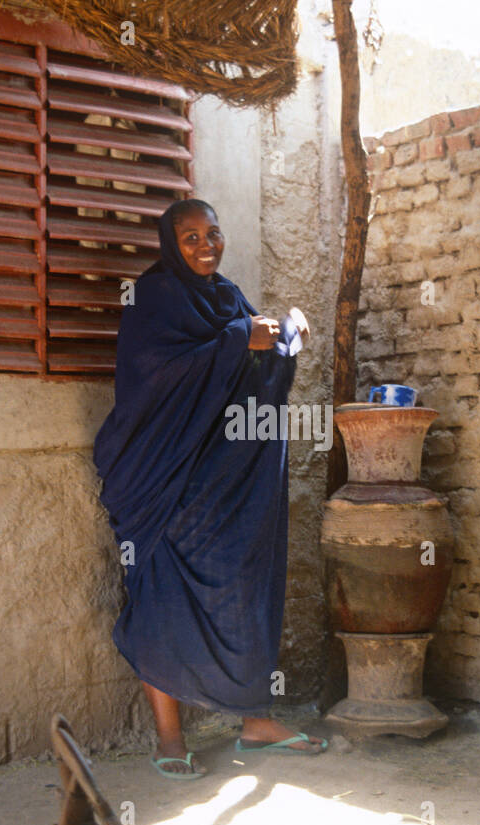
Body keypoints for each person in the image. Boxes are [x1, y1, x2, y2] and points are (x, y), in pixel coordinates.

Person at [92, 198, 327, 779]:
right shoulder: (154, 299)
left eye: (213, 234)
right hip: (163, 485)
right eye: (191, 237)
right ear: (170, 243)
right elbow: (154, 378)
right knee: (159, 603)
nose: (205, 246)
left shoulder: (226, 297)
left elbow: (256, 368)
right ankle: (169, 739)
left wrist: (284, 335)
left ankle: (255, 722)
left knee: (246, 594)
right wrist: (234, 341)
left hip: (225, 488)